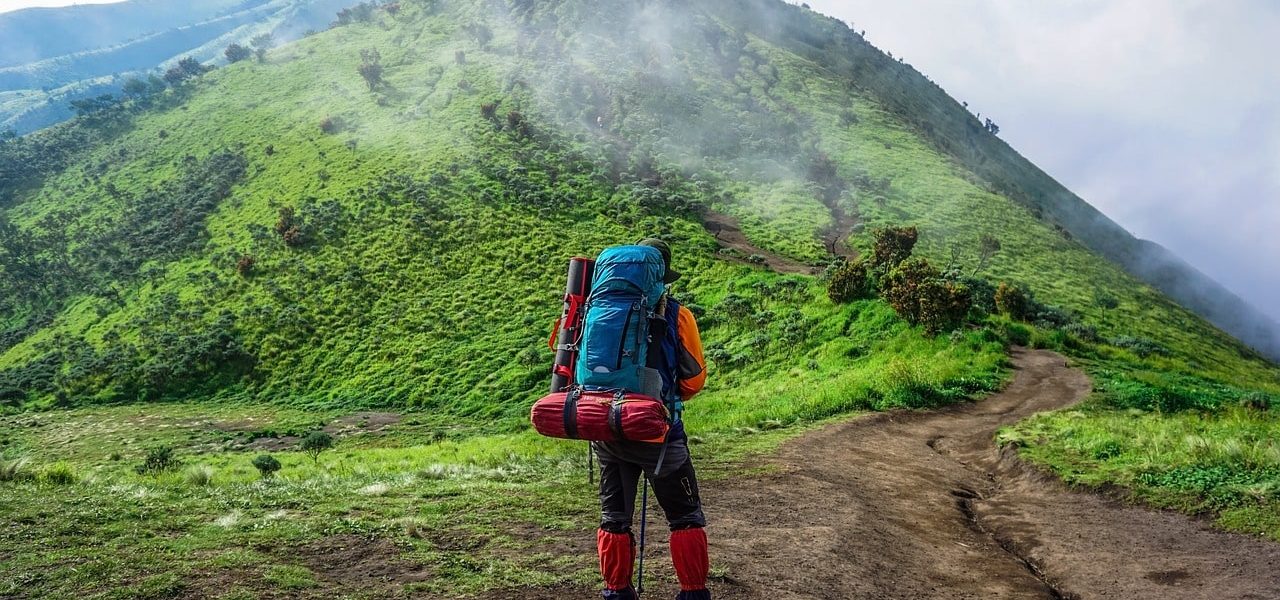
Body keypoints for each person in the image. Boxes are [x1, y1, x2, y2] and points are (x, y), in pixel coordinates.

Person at [594, 238, 711, 600]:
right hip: (658, 435)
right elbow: (693, 381)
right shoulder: (678, 314)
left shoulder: (597, 308)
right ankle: (692, 593)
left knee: (614, 518)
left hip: (606, 426)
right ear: (661, 275)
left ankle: (616, 592)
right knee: (685, 516)